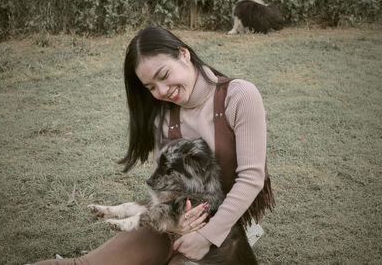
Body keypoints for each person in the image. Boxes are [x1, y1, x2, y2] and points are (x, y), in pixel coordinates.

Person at [31, 26, 274, 265]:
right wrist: (174, 223)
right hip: (173, 221)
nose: (162, 92)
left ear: (183, 54)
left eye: (164, 75)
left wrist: (205, 237)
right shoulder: (164, 118)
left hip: (226, 231)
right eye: (151, 87)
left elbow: (252, 178)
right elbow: (167, 189)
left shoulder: (239, 95)